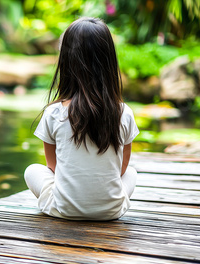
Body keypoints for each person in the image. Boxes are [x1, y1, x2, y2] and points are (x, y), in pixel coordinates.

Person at [24, 17, 139, 221]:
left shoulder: (54, 113)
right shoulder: (124, 112)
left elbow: (54, 167)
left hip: (64, 210)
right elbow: (122, 167)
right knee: (131, 172)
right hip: (111, 212)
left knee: (32, 170)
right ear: (109, 61)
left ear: (66, 62)